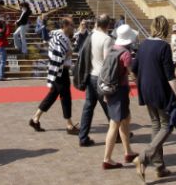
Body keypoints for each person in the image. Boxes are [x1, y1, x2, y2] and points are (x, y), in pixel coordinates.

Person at [131, 16, 176, 181]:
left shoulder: (143, 44)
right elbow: (170, 76)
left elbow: (133, 68)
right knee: (167, 125)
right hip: (160, 90)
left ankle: (160, 166)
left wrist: (140, 81)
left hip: (145, 89)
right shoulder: (163, 46)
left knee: (156, 124)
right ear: (165, 28)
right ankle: (144, 157)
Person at [29, 17, 79, 134]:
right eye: (72, 25)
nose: (73, 27)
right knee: (65, 97)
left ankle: (35, 119)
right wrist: (68, 53)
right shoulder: (59, 37)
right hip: (60, 71)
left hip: (59, 71)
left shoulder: (60, 36)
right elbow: (57, 55)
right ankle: (69, 125)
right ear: (66, 25)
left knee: (52, 96)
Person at [101, 24, 139, 170]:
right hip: (120, 90)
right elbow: (131, 73)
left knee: (125, 120)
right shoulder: (126, 54)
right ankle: (107, 159)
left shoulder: (112, 49)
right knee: (114, 124)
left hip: (110, 89)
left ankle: (128, 151)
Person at [78, 14, 113, 147]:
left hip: (90, 75)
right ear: (108, 25)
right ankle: (118, 133)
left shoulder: (91, 36)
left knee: (88, 107)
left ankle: (83, 137)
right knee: (110, 107)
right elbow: (107, 62)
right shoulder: (107, 39)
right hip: (100, 77)